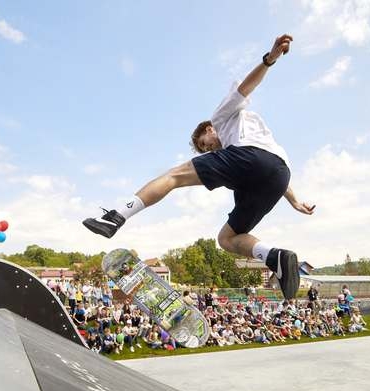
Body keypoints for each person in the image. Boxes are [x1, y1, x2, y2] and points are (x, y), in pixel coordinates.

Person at [82, 33, 315, 300]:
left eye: (204, 144)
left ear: (208, 129)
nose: (208, 149)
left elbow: (246, 88)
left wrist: (269, 59)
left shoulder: (221, 117)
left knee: (174, 176)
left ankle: (116, 216)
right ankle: (276, 257)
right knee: (227, 239)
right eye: (205, 150)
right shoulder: (257, 139)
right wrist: (295, 201)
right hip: (278, 175)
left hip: (252, 161)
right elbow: (273, 168)